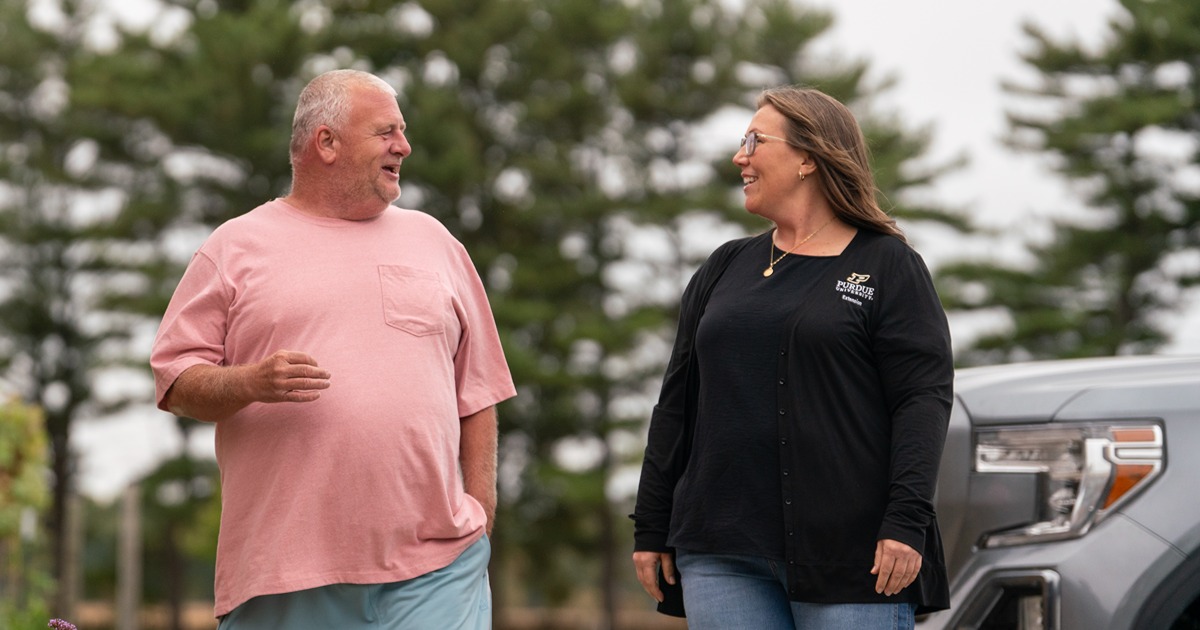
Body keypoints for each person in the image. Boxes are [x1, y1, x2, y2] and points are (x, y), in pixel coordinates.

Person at [149, 69, 516, 630]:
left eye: (404, 131)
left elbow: (480, 389)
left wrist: (480, 511)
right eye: (386, 131)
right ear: (327, 142)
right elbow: (175, 381)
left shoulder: (436, 242)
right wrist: (250, 382)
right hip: (284, 572)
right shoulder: (234, 247)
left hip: (438, 565)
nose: (404, 146)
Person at [630, 85, 954, 629]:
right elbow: (676, 405)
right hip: (719, 549)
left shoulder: (889, 266)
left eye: (754, 140)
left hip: (852, 555)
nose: (740, 156)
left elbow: (922, 401)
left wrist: (906, 521)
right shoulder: (724, 267)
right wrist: (651, 525)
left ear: (808, 157)